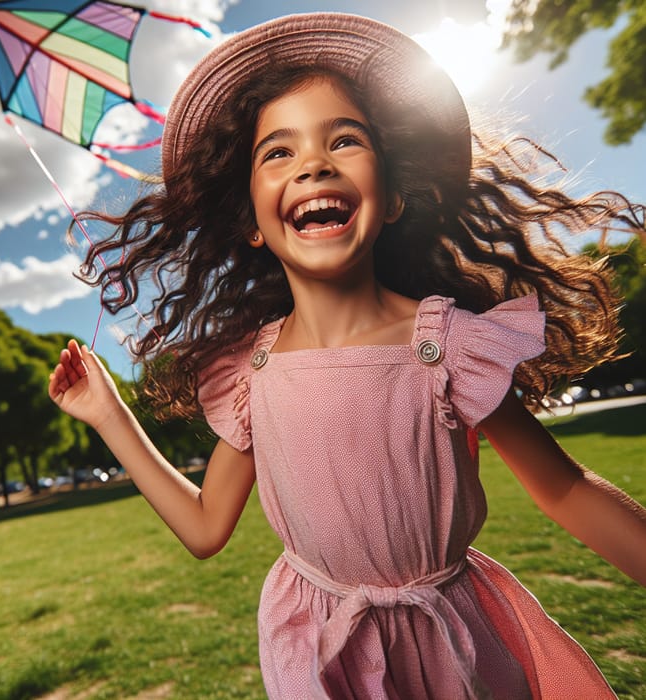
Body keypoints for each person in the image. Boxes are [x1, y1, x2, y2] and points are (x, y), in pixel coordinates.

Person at [49, 13, 646, 699]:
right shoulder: (253, 373)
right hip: (318, 655)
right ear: (249, 220)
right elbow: (206, 527)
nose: (313, 162)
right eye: (278, 152)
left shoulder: (448, 346)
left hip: (452, 648)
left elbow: (563, 487)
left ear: (392, 197)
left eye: (344, 139)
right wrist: (108, 415)